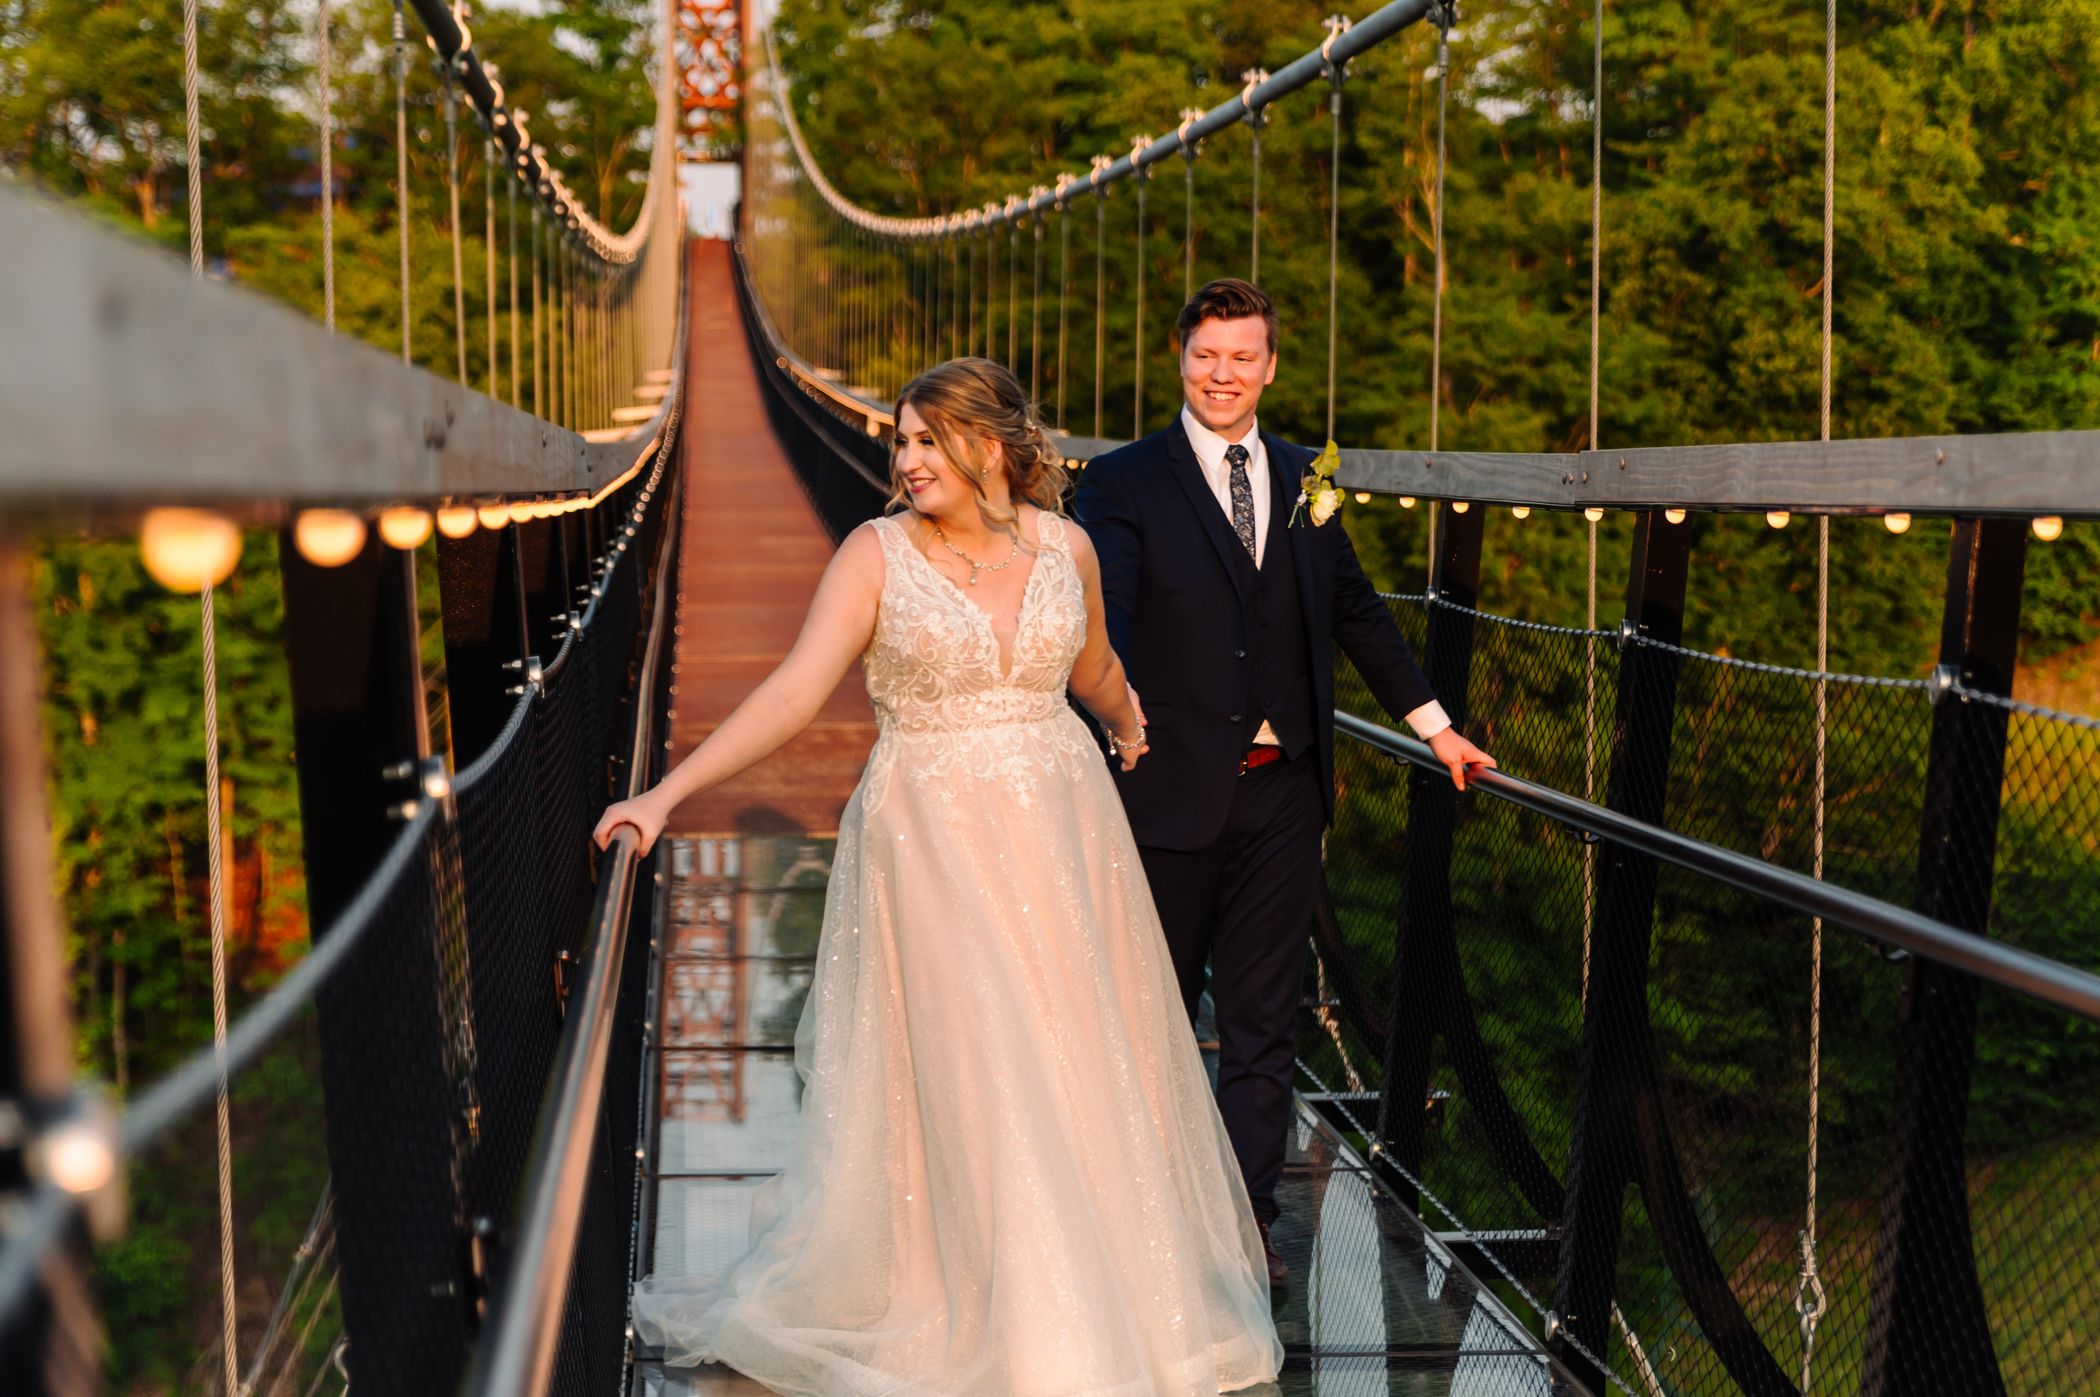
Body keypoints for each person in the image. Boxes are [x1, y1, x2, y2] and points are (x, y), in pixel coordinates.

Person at [597, 357, 1283, 1396]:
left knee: (1073, 1058)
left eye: (928, 441)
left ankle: (1095, 1294)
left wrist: (1127, 719)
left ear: (991, 446)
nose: (908, 462)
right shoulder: (873, 555)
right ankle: (1012, 1316)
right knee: (982, 1060)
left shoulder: (1069, 547)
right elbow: (794, 690)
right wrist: (665, 794)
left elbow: (1094, 666)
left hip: (1063, 832)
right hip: (932, 839)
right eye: (902, 443)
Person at [1073, 278, 1495, 1287]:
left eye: (1242, 357)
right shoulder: (1122, 481)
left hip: (1283, 792)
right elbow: (1106, 614)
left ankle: (1244, 1224)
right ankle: (1138, 1222)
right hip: (1163, 784)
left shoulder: (1308, 475)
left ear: (1269, 366)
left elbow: (1356, 612)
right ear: (1179, 358)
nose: (1222, 375)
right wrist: (1113, 719)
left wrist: (1436, 727)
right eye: (1206, 355)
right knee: (1148, 1019)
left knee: (1263, 1025)